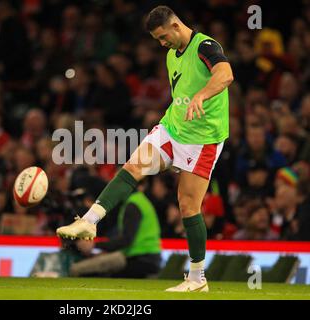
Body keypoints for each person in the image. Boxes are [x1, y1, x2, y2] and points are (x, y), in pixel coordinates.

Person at [56, 5, 233, 292]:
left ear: (176, 26)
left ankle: (198, 278)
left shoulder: (206, 46)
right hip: (172, 127)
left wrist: (202, 95)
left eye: (164, 36)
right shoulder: (170, 56)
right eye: (157, 39)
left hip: (203, 139)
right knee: (133, 166)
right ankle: (89, 221)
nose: (162, 43)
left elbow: (225, 75)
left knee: (188, 206)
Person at [70, 179, 161, 278]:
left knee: (78, 269)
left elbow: (126, 240)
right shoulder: (138, 201)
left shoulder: (132, 205)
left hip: (139, 259)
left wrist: (95, 245)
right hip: (147, 258)